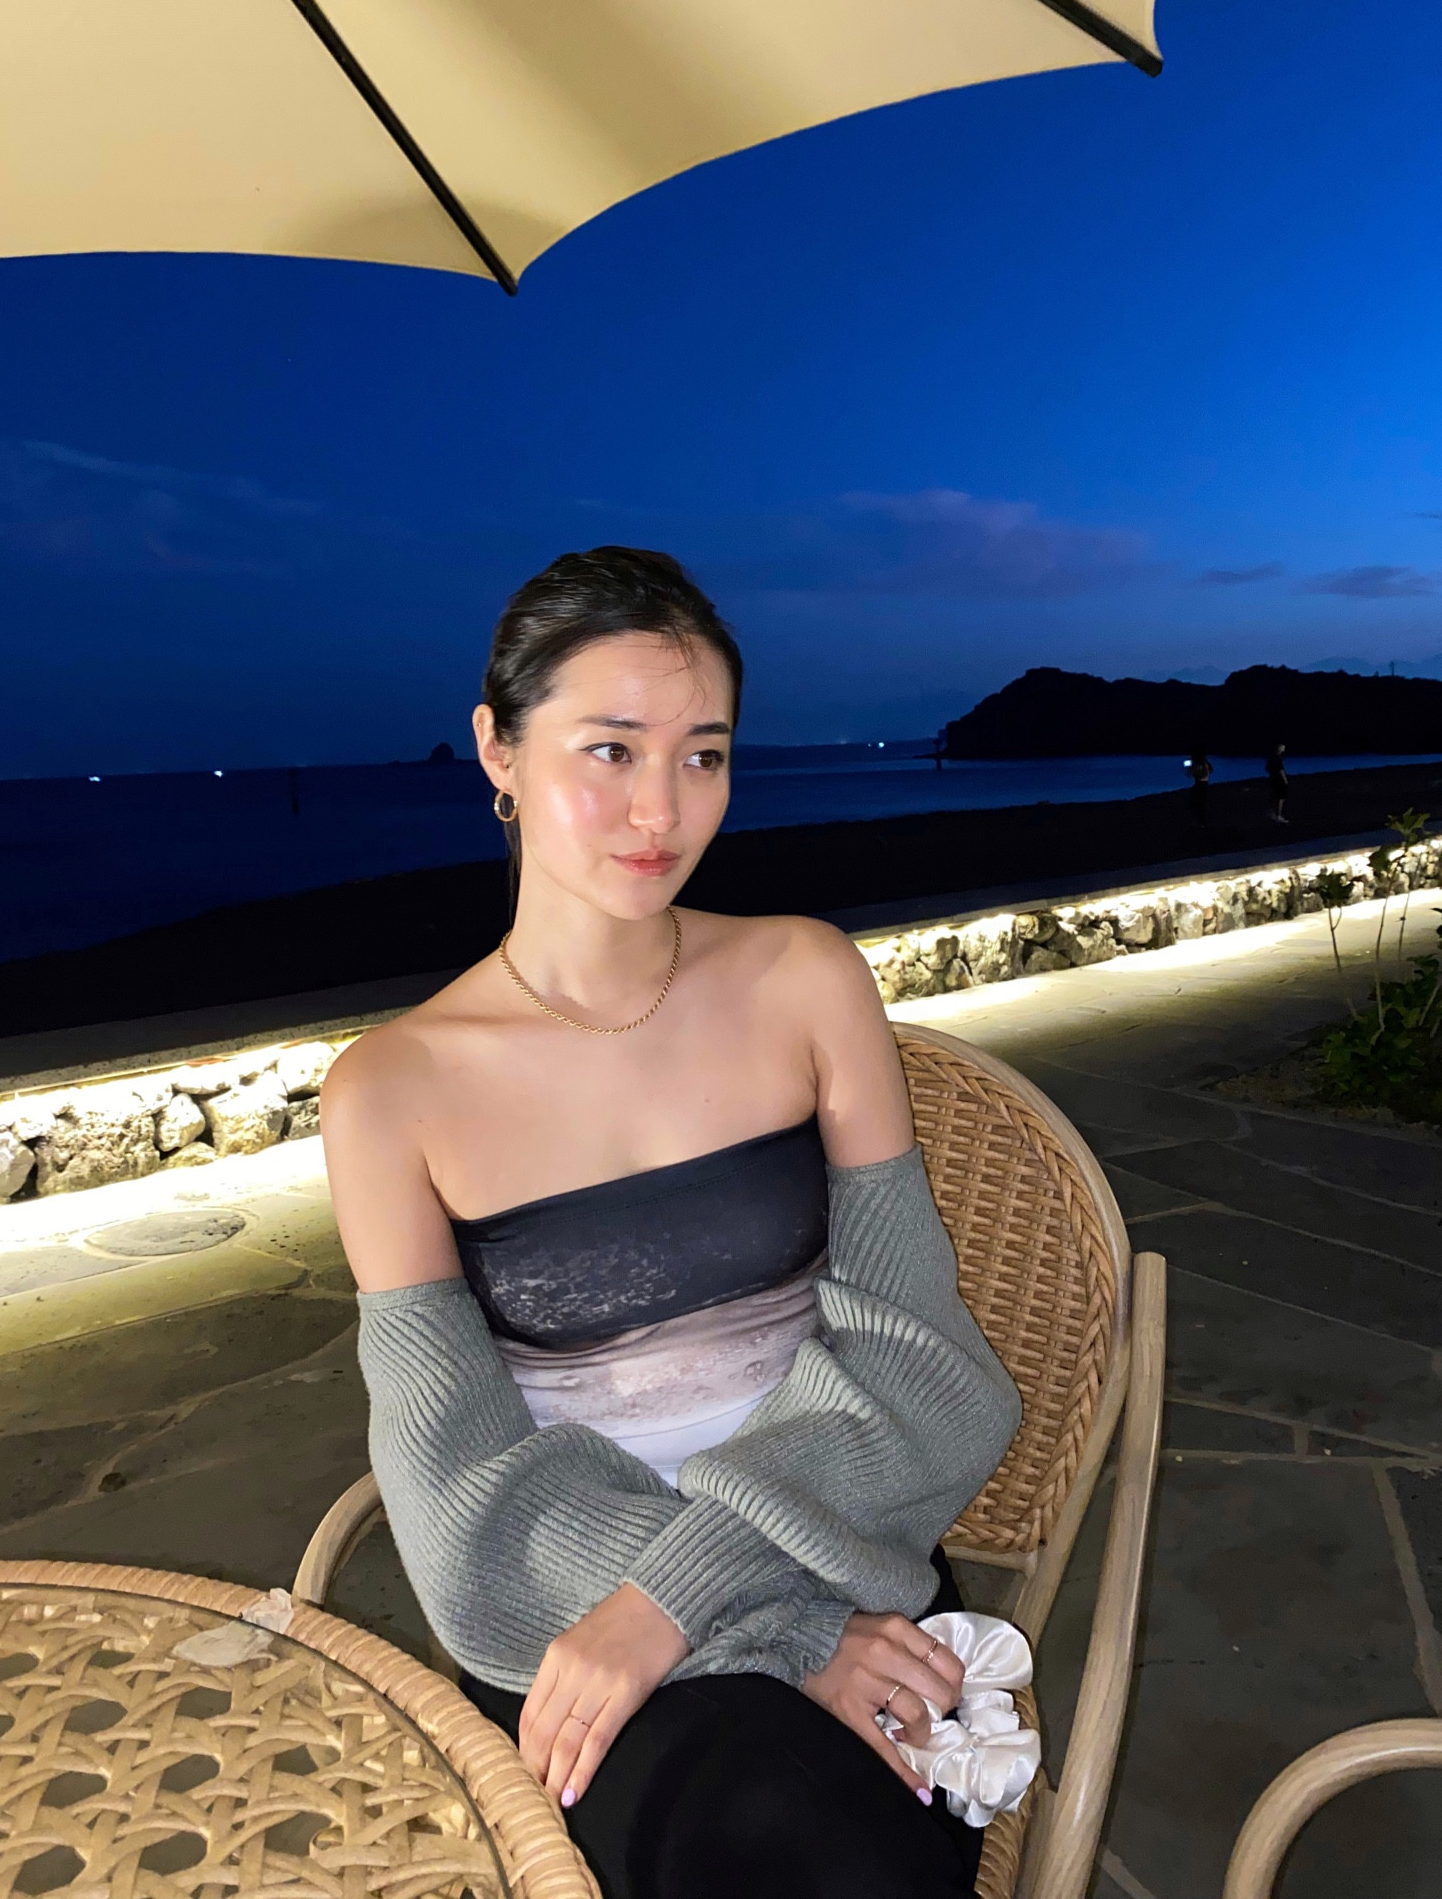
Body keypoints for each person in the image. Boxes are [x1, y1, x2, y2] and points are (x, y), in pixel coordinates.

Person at [320, 547, 1022, 1899]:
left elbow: (926, 1370)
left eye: (704, 756)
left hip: (842, 1556)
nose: (662, 809)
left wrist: (689, 1601)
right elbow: (457, 1499)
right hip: (572, 1616)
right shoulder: (393, 1092)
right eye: (612, 749)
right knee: (771, 1832)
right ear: (498, 749)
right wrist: (772, 1636)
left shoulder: (804, 979)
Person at [1187, 749, 1212, 827]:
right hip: (1203, 784)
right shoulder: (1205, 764)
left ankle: (1200, 822)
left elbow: (1197, 774)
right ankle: (1201, 822)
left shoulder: (1202, 764)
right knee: (1201, 803)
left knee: (1199, 803)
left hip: (1200, 784)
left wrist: (1192, 768)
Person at [1266, 742, 1289, 823]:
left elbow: (1268, 768)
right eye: (1283, 747)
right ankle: (1278, 815)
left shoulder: (1272, 757)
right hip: (1279, 780)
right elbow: (1281, 770)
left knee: (1275, 795)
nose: (1284, 748)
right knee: (1281, 797)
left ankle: (1271, 812)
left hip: (1273, 779)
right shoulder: (1278, 758)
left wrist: (1273, 774)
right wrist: (1285, 780)